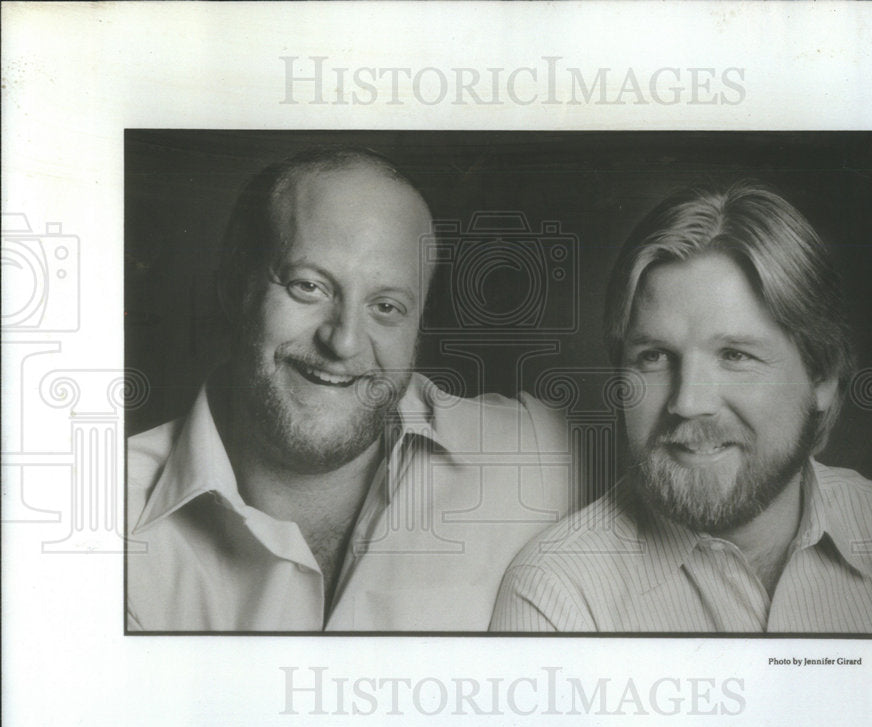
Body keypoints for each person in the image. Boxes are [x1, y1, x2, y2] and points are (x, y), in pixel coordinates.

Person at [127, 147, 576, 631]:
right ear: (237, 287)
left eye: (386, 307)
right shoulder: (106, 531)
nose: (342, 342)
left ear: (419, 326)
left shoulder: (538, 454)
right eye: (309, 287)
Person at [490, 181, 872, 634]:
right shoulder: (557, 597)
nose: (687, 402)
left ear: (823, 377)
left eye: (735, 356)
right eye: (654, 357)